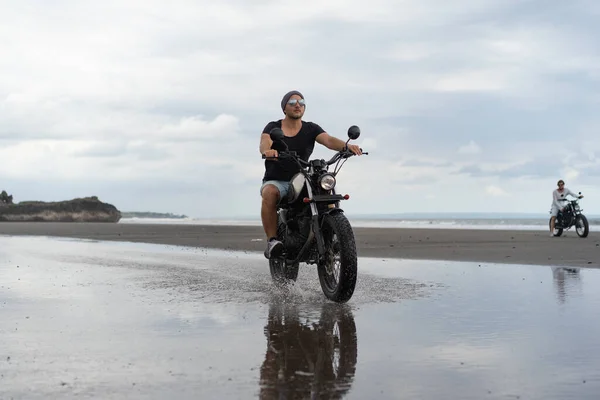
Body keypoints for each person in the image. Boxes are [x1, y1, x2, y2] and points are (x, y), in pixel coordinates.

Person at [259, 90, 362, 259]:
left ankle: (334, 234)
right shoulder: (273, 127)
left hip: (302, 179)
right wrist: (268, 150)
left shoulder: (311, 128)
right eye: (292, 102)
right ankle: (272, 241)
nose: (297, 105)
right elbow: (265, 141)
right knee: (269, 193)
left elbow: (328, 140)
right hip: (278, 180)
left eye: (301, 102)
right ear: (284, 108)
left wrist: (346, 147)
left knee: (325, 189)